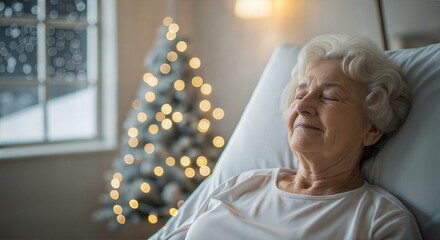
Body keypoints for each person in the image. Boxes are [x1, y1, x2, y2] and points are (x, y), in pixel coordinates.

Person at [149, 34, 422, 239]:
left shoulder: (380, 221)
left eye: (329, 96)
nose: (302, 106)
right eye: (300, 94)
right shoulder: (243, 183)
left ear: (372, 129)